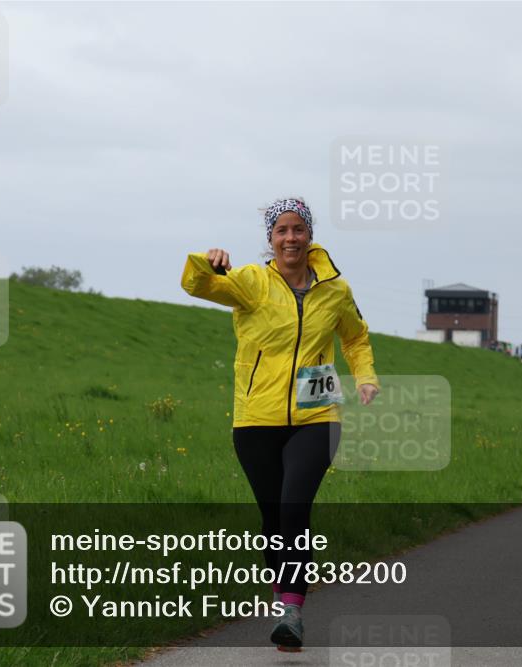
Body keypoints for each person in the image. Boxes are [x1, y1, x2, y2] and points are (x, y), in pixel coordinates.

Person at [180, 197, 380, 651]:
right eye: (281, 231)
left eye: (298, 229)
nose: (290, 238)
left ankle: (292, 611)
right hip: (256, 419)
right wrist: (206, 261)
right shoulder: (250, 282)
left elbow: (355, 336)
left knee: (294, 507)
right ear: (270, 239)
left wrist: (365, 377)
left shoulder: (335, 289)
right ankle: (283, 600)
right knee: (273, 517)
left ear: (310, 235)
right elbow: (196, 286)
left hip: (317, 416)